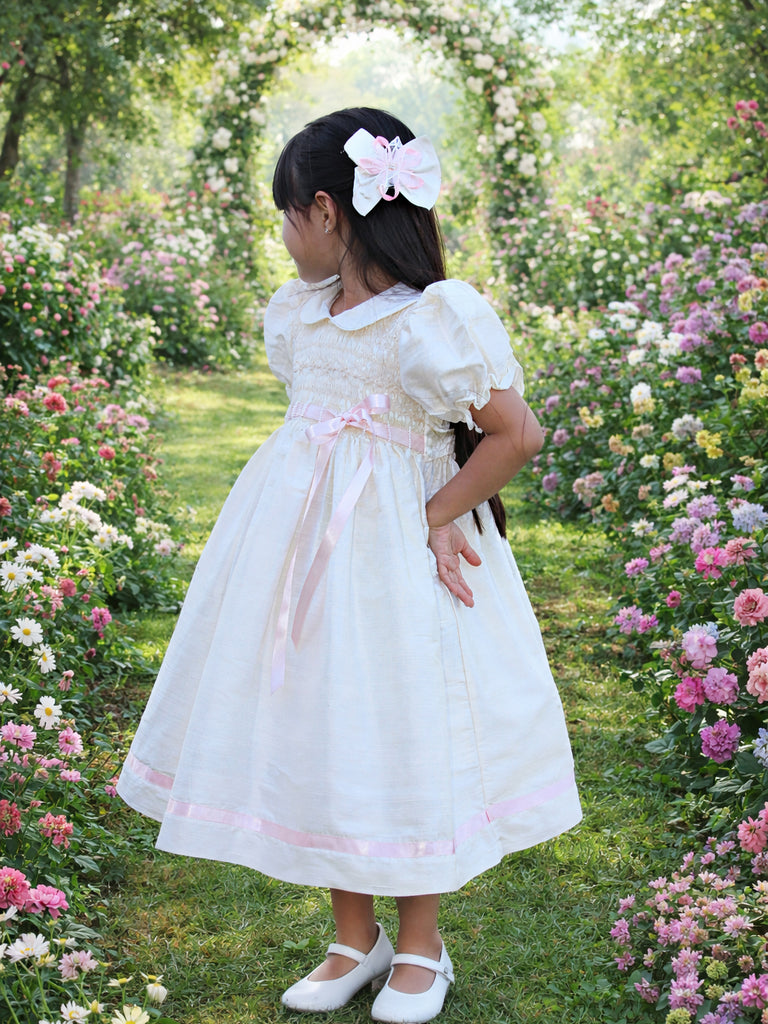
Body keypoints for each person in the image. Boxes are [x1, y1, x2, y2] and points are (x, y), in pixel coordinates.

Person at [117, 107, 581, 1024]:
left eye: (287, 214)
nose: (284, 234)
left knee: (401, 721)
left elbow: (514, 432)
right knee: (327, 722)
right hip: (299, 556)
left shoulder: (430, 320)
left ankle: (420, 943)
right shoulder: (303, 317)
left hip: (394, 561)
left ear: (328, 211)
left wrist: (441, 512)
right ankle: (350, 935)